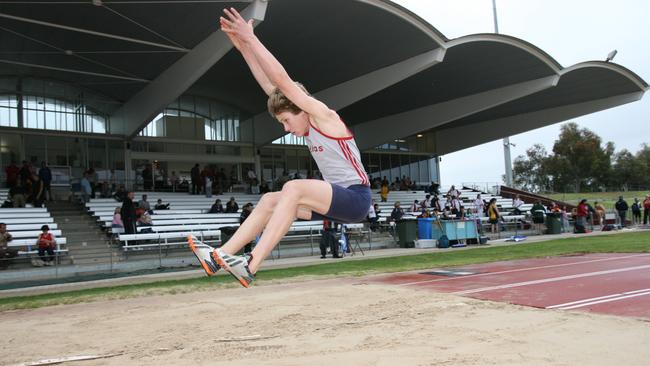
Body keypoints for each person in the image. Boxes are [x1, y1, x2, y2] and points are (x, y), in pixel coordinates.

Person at [189, 8, 372, 288]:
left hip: (356, 198)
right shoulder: (304, 122)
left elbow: (283, 83)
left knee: (293, 188)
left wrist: (252, 39)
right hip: (334, 201)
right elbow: (270, 87)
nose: (286, 129)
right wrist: (244, 49)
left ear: (300, 107)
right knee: (268, 201)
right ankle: (220, 257)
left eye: (286, 121)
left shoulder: (325, 117)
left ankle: (251, 263)